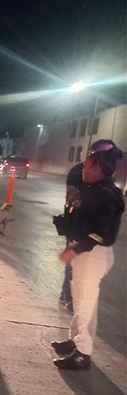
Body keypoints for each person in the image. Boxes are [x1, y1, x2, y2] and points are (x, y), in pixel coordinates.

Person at [51, 145, 124, 370]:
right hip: (87, 254)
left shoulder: (104, 193)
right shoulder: (96, 188)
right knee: (81, 300)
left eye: (89, 162)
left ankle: (82, 352)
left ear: (99, 167)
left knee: (85, 304)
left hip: (93, 255)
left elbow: (99, 233)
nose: (84, 165)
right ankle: (76, 340)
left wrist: (75, 250)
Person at [59, 140, 118, 313]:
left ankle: (70, 301)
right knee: (76, 278)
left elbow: (102, 230)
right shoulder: (80, 172)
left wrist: (77, 247)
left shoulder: (105, 190)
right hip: (80, 235)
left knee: (84, 295)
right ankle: (68, 297)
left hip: (92, 247)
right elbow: (72, 200)